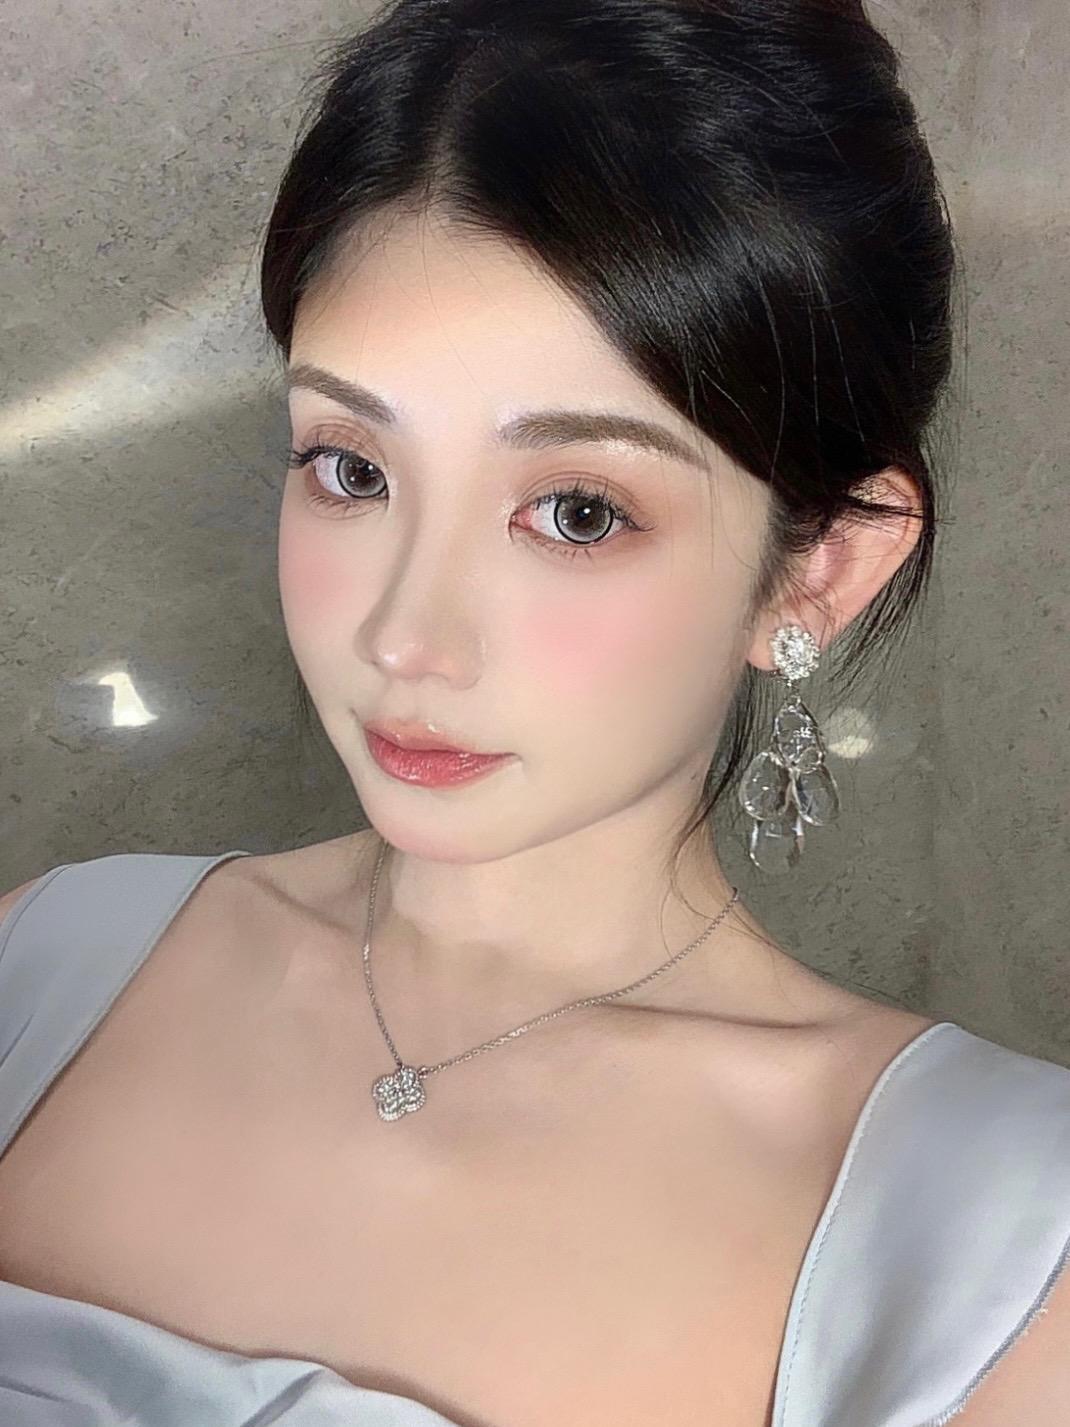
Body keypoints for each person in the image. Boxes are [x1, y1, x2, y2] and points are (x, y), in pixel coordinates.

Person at [1, 0, 1068, 1423]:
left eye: (576, 511)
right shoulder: (44, 965)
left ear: (819, 566)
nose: (404, 637)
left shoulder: (995, 1251)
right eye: (352, 470)